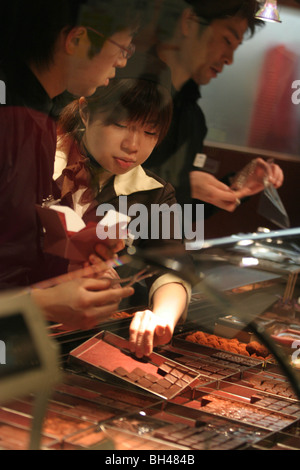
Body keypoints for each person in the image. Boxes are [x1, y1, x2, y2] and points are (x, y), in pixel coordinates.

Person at [0, 0, 151, 330]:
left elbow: (15, 245)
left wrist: (78, 249)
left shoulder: (39, 116)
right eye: (122, 48)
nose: (121, 62)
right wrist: (41, 303)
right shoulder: (12, 115)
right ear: (77, 39)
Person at [54, 53, 191, 358]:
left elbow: (171, 271)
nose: (133, 145)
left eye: (150, 132)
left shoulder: (153, 193)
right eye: (120, 125)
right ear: (86, 112)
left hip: (97, 345)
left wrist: (161, 317)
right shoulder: (35, 162)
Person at [143, 0, 284, 220]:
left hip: (159, 249)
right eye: (227, 40)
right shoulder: (129, 93)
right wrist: (183, 185)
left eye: (235, 48)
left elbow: (183, 215)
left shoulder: (193, 119)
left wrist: (235, 184)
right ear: (188, 22)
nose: (229, 59)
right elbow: (99, 187)